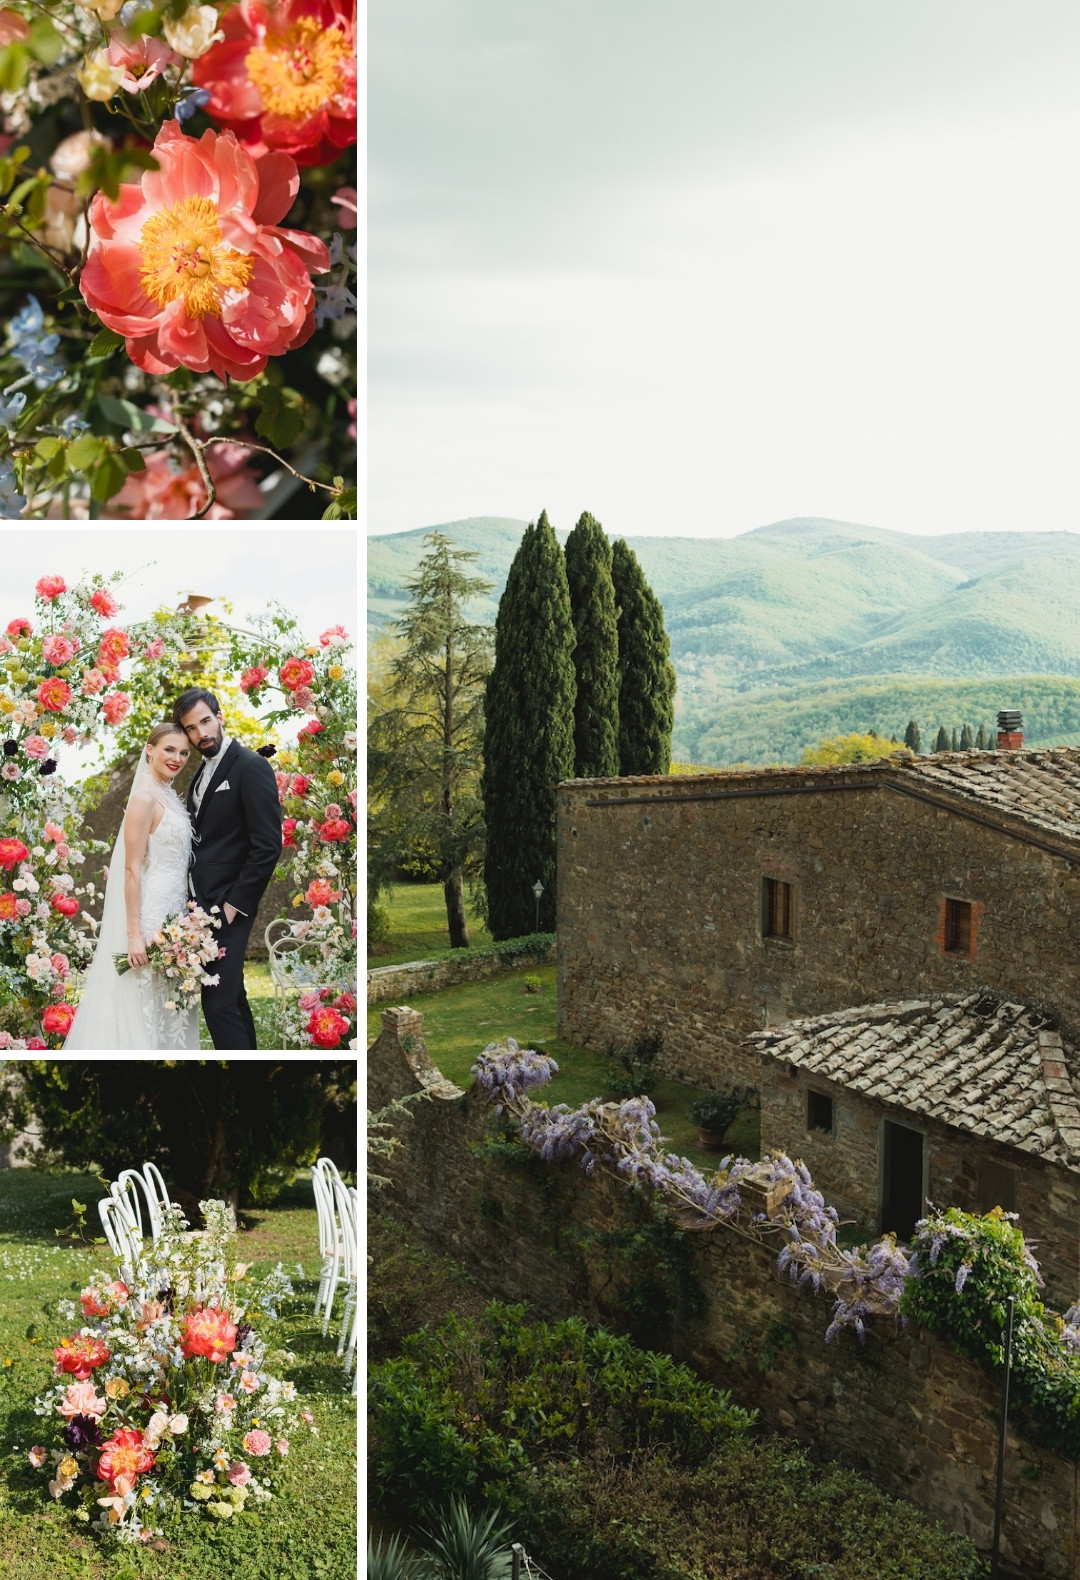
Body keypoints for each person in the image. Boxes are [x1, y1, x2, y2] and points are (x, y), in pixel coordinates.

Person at [64, 723, 199, 1050]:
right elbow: (130, 869)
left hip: (176, 913)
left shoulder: (169, 795)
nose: (177, 758)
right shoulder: (143, 799)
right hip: (151, 913)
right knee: (141, 1004)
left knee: (173, 1006)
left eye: (183, 753)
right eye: (169, 749)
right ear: (150, 749)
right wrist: (134, 933)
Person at [174, 687, 282, 1051]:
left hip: (230, 907)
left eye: (205, 721)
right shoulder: (199, 776)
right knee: (231, 998)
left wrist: (237, 903)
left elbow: (268, 844)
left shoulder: (251, 766)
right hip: (201, 907)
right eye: (191, 728)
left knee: (217, 1002)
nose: (201, 733)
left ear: (219, 718)